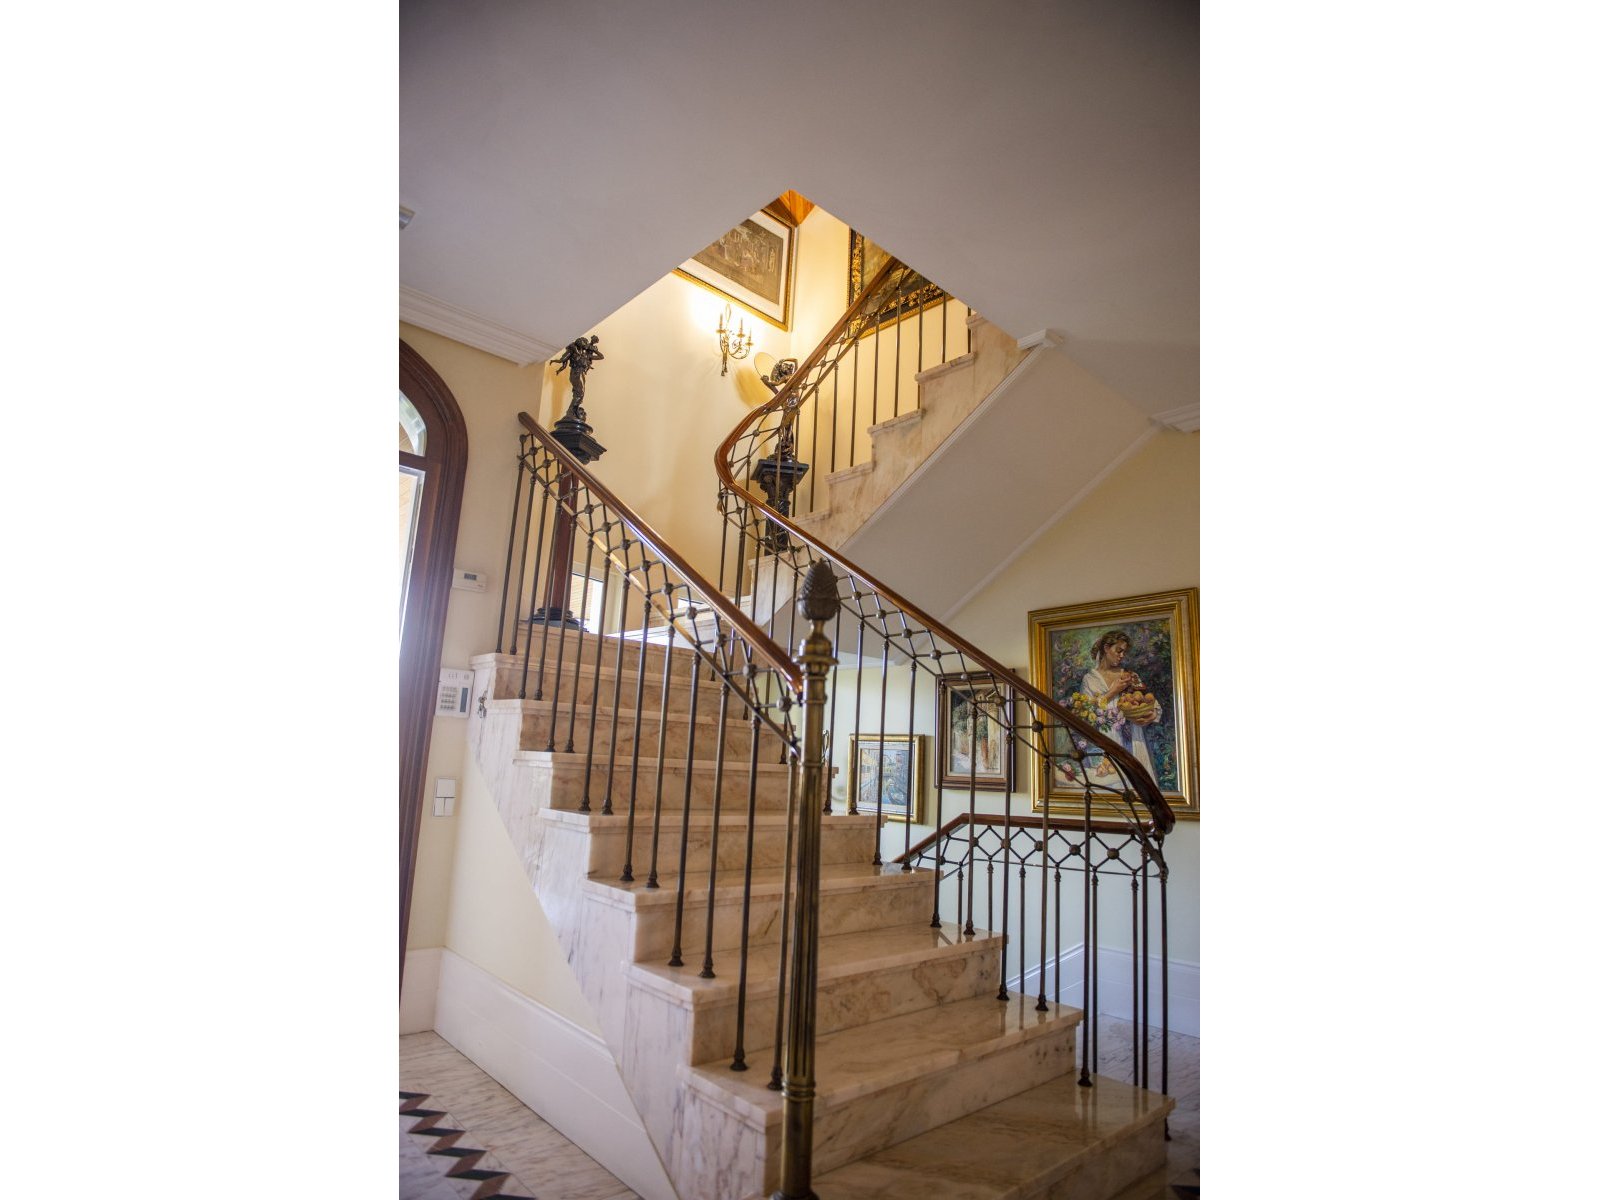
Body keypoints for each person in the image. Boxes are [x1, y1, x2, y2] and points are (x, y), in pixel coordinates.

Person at [1081, 629, 1161, 780]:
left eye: (1124, 652)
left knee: (1137, 780)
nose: (1122, 655)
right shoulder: (1089, 679)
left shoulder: (1130, 676)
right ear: (1106, 648)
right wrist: (1113, 691)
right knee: (1111, 780)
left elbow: (1148, 701)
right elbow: (1086, 714)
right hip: (1106, 738)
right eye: (1118, 651)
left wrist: (1153, 714)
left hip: (1134, 738)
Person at [552, 335, 604, 407]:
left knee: (579, 393)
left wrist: (595, 350)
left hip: (581, 374)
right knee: (580, 393)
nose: (585, 346)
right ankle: (573, 410)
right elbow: (563, 359)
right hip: (575, 373)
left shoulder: (586, 355)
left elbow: (601, 357)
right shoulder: (573, 353)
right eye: (584, 344)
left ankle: (574, 410)